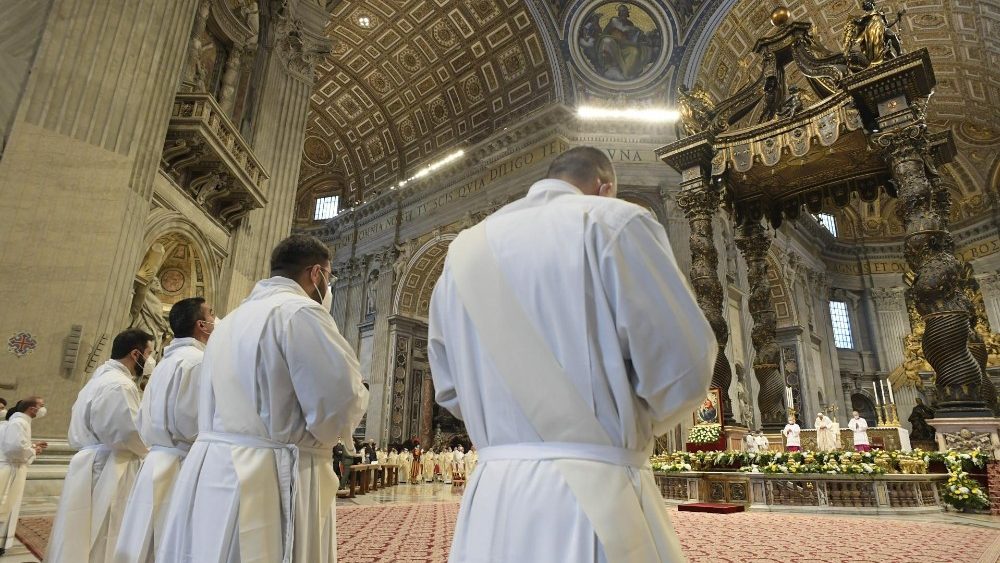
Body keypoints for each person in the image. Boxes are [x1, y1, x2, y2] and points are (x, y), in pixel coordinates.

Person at [428, 146, 715, 561]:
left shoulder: (461, 255)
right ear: (605, 188)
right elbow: (685, 367)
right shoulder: (614, 222)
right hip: (596, 494)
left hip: (493, 497)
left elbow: (450, 390)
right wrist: (624, 421)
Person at [156, 234, 369, 563]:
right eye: (330, 276)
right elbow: (338, 400)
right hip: (274, 470)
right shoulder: (300, 314)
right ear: (317, 274)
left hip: (213, 463)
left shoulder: (227, 323)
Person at [113, 297, 215, 563]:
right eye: (211, 315)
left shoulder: (163, 364)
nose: (216, 320)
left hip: (156, 459)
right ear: (202, 325)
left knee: (145, 540)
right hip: (182, 463)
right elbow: (195, 421)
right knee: (171, 543)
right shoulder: (198, 363)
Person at [47, 329, 151, 563]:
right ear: (136, 354)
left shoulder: (97, 380)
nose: (151, 360)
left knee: (81, 529)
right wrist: (151, 450)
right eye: (149, 353)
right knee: (105, 531)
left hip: (90, 462)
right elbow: (128, 432)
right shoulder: (120, 385)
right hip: (112, 465)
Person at [0, 397, 47, 555]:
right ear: (32, 408)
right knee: (6, 505)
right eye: (41, 405)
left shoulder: (21, 422)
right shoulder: (19, 423)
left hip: (13, 467)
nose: (43, 409)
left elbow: (17, 445)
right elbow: (14, 449)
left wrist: (32, 446)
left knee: (8, 506)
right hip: (11, 469)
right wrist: (33, 451)